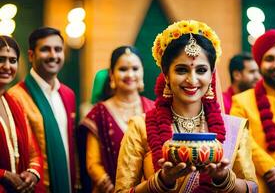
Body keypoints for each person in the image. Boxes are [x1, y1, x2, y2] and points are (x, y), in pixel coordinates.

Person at [115, 20, 258, 192]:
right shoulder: (140, 127)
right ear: (166, 75)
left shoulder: (235, 128)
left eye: (201, 70)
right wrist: (161, 181)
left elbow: (253, 188)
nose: (192, 80)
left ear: (212, 74)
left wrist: (224, 179)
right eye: (182, 70)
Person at [8, 27, 78, 193]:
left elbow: (71, 145)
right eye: (46, 49)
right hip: (34, 186)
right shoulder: (16, 96)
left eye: (58, 49)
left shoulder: (68, 94)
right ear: (31, 55)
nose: (53, 55)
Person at [231, 29, 275, 193]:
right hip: (261, 184)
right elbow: (241, 141)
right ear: (260, 63)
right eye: (269, 59)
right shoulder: (240, 102)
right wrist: (269, 169)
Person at [79, 46, 154, 193]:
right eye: (123, 69)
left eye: (135, 68)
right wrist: (113, 188)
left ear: (142, 72)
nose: (130, 74)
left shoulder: (153, 109)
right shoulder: (99, 113)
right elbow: (93, 163)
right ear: (112, 75)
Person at [0, 35, 43, 192]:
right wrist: (4, 175)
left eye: (12, 60)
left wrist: (31, 174)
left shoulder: (14, 103)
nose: (7, 66)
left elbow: (34, 150)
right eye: (1, 59)